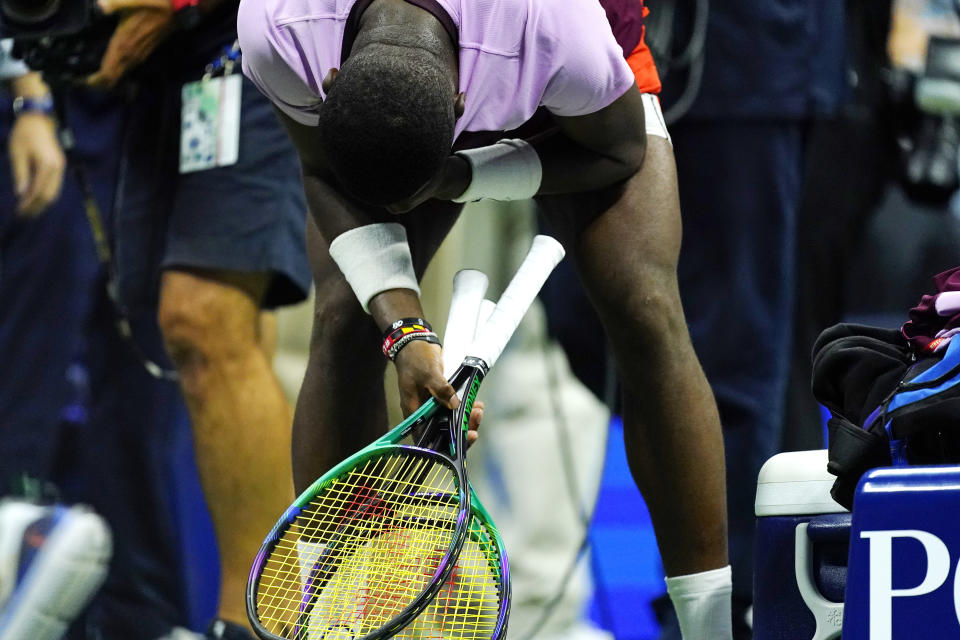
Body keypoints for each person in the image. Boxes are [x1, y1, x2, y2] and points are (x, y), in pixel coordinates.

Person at [238, 0, 732, 637]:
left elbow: (619, 151)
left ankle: (710, 626)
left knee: (645, 308)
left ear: (461, 102)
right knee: (343, 317)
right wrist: (404, 330)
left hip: (581, 109)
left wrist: (462, 174)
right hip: (423, 79)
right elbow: (321, 168)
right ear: (330, 82)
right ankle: (338, 621)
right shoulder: (277, 26)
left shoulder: (559, 32)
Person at [3, 1, 314, 637]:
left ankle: (257, 624)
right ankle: (266, 611)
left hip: (246, 35)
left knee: (205, 317)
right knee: (184, 341)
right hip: (144, 73)